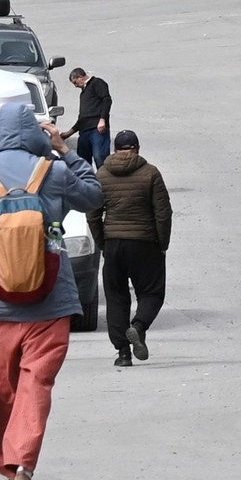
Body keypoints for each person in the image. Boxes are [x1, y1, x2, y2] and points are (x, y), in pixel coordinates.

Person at [0, 100, 103, 480]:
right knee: (37, 387)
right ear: (35, 134)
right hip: (50, 306)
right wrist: (65, 150)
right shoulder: (55, 174)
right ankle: (23, 467)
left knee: (3, 392)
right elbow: (94, 197)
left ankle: (9, 467)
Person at [95, 128, 172, 367]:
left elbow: (93, 214)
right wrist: (162, 243)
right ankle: (138, 326)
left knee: (116, 296)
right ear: (137, 148)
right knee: (152, 292)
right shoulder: (151, 173)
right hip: (145, 242)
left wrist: (103, 244)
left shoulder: (102, 174)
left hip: (114, 244)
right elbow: (163, 212)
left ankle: (123, 354)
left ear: (115, 150)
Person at [67, 68, 113, 167]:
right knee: (83, 161)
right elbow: (82, 118)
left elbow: (106, 100)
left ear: (80, 77)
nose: (75, 86)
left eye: (75, 82)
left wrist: (102, 119)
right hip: (84, 131)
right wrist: (69, 132)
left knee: (100, 157)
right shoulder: (83, 93)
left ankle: (103, 180)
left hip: (97, 128)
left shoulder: (97, 83)